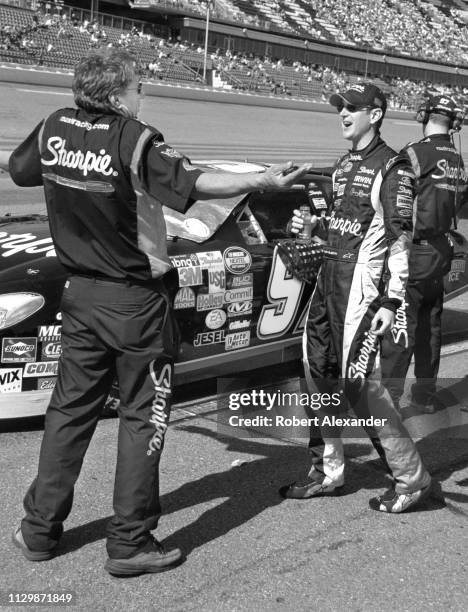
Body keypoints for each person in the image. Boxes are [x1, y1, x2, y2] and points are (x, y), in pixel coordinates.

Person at [1, 48, 311, 577]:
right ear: (119, 93)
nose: (142, 96)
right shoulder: (134, 136)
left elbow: (21, 170)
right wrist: (263, 182)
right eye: (138, 88)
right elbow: (196, 184)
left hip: (81, 296)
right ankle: (129, 544)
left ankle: (38, 530)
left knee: (69, 413)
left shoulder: (54, 124)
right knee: (145, 418)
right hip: (135, 304)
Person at [280, 82, 433, 513]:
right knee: (317, 376)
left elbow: (402, 238)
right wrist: (310, 229)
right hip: (328, 282)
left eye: (353, 107)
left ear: (376, 114)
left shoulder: (394, 167)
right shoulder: (343, 165)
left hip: (362, 289)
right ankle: (328, 470)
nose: (343, 113)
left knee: (361, 385)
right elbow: (338, 225)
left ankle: (411, 478)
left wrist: (391, 300)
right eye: (340, 108)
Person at [381, 95, 468, 413]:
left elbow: (396, 200)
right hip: (442, 251)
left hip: (416, 251)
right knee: (431, 325)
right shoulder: (456, 159)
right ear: (454, 122)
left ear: (424, 115)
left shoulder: (416, 153)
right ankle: (424, 396)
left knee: (402, 324)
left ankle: (387, 401)